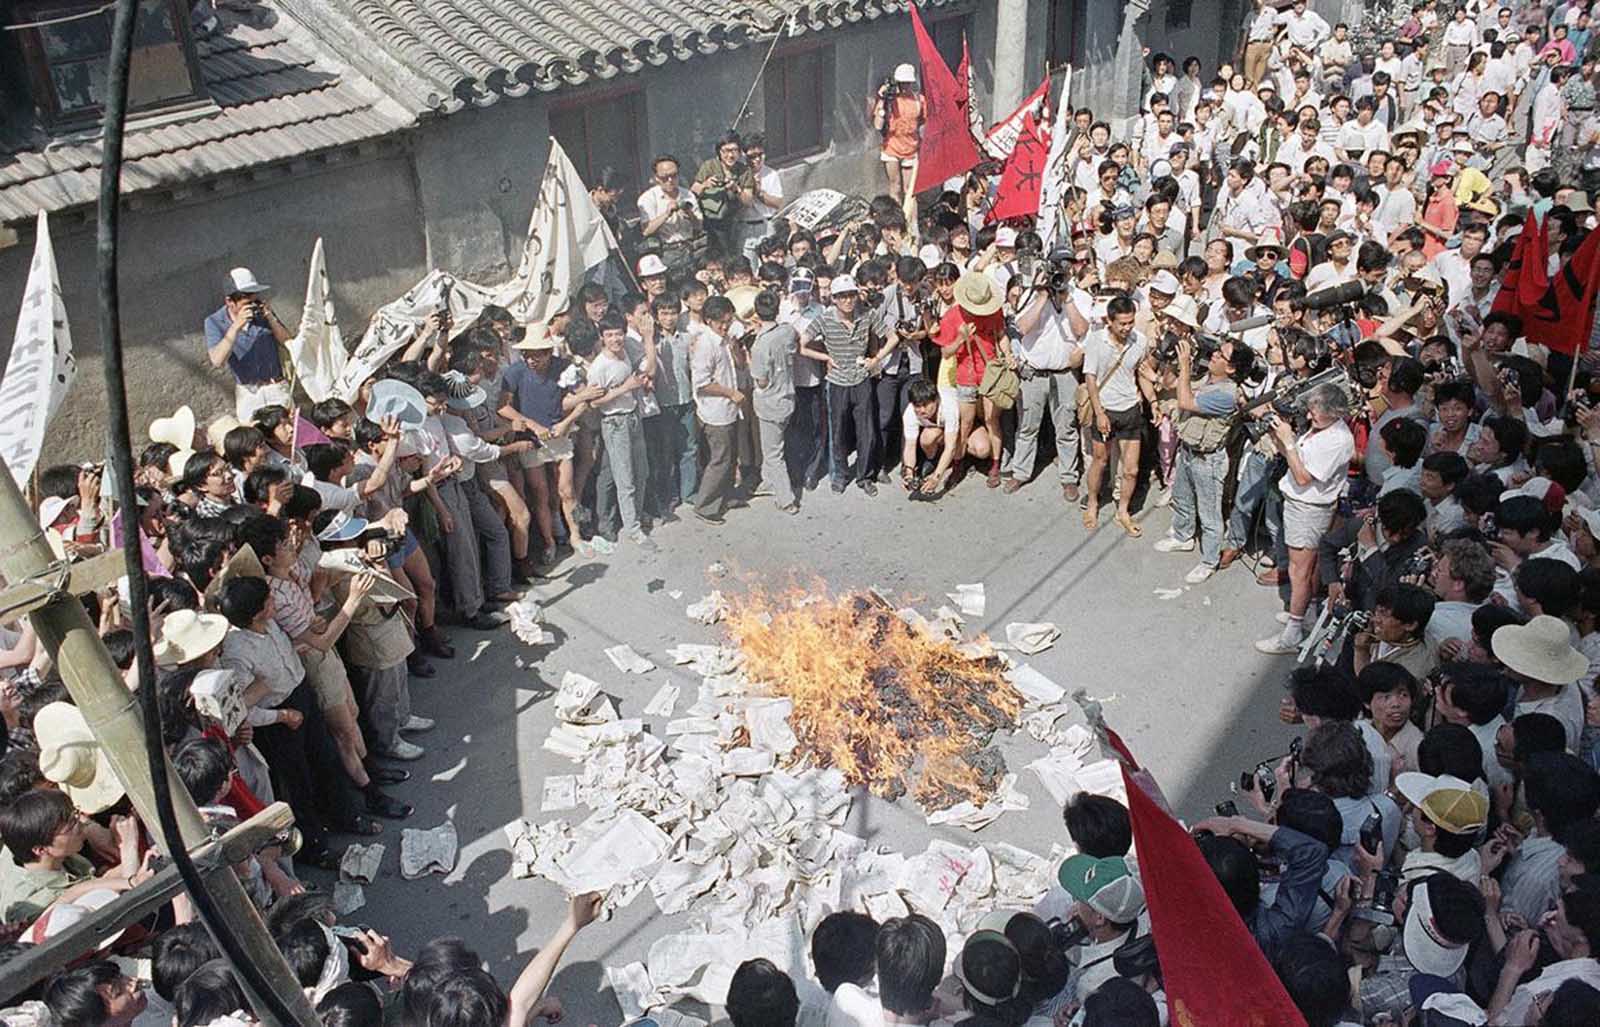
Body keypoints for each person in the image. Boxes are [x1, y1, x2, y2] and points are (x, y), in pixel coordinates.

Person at [1256, 383, 1357, 654]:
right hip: (1300, 506)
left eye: (1315, 412)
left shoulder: (1337, 440)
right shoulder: (1321, 428)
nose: (1309, 417)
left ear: (1333, 413)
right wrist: (1278, 435)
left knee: (1299, 572)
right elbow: (1293, 456)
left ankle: (1292, 632)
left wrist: (1288, 441)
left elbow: (1302, 476)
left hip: (1309, 509)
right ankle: (1307, 615)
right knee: (1307, 568)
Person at [1155, 326, 1252, 583]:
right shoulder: (1209, 379)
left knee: (1210, 515)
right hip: (1188, 450)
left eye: (1222, 356)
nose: (1215, 356)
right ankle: (1182, 535)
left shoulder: (1226, 394)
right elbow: (1172, 384)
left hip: (1208, 460)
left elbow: (1186, 401)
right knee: (1182, 498)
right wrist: (1171, 360)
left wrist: (1185, 364)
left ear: (1231, 369)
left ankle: (1209, 561)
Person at [801, 273, 898, 496]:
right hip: (836, 383)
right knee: (838, 432)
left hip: (861, 379)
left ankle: (864, 476)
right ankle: (840, 476)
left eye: (851, 295)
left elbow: (892, 337)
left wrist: (876, 359)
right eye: (842, 296)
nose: (847, 301)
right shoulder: (825, 319)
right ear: (834, 299)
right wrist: (825, 358)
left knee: (867, 431)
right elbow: (802, 344)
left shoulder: (867, 315)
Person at [1003, 258, 1088, 501]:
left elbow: (1082, 330)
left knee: (1066, 427)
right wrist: (1042, 297)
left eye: (1064, 272)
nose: (1059, 277)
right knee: (1028, 425)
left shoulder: (1079, 296)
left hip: (1064, 372)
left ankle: (1069, 477)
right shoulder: (1030, 294)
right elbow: (1021, 327)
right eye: (1055, 272)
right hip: (1035, 372)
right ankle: (1020, 472)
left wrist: (1066, 299)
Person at [1082, 295, 1150, 536]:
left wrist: (1151, 399)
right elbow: (1090, 377)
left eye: (1130, 322)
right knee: (1100, 461)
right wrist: (1099, 412)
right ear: (1109, 321)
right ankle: (1092, 502)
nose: (1127, 328)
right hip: (1106, 409)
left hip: (1130, 408)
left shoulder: (1140, 341)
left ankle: (1123, 510)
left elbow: (1141, 372)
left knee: (1131, 469)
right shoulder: (1096, 341)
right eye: (1122, 323)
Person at [1055, 853, 1146, 1004]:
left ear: (1099, 918)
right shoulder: (1141, 917)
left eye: (1078, 898)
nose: (1074, 903)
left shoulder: (1092, 984)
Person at [204, 267, 293, 420]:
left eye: (254, 300)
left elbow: (288, 342)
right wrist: (236, 327)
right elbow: (217, 360)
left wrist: (271, 319)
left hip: (276, 386)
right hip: (249, 392)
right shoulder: (214, 322)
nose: (252, 306)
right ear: (230, 302)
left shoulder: (261, 313)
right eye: (246, 303)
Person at [690, 295, 745, 523]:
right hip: (716, 413)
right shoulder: (706, 344)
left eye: (728, 321)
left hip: (729, 410)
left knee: (731, 458)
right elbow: (702, 384)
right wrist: (730, 393)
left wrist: (734, 348)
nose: (724, 326)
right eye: (720, 322)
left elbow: (739, 365)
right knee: (720, 460)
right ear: (709, 321)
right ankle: (705, 506)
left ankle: (725, 496)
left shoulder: (724, 340)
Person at [749, 289, 801, 513]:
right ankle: (768, 481)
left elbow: (760, 380)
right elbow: (794, 339)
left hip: (769, 403)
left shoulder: (760, 345)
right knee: (775, 446)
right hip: (788, 397)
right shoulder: (787, 331)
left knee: (772, 453)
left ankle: (786, 499)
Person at [638, 154, 704, 280]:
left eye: (673, 176)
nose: (670, 180)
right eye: (664, 177)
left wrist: (690, 214)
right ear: (656, 178)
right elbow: (646, 230)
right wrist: (667, 214)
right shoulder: (647, 198)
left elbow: (699, 226)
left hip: (688, 248)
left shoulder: (688, 195)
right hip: (664, 251)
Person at [693, 131, 756, 261]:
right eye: (725, 151)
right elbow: (693, 190)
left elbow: (749, 201)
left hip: (733, 223)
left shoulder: (744, 170)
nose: (730, 155)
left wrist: (736, 189)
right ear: (719, 152)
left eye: (734, 151)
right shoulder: (709, 166)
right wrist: (705, 184)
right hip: (710, 222)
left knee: (731, 258)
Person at [873, 64, 924, 202]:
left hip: (911, 149)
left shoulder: (918, 100)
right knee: (895, 187)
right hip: (892, 148)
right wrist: (882, 99)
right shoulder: (890, 100)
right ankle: (895, 219)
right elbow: (878, 125)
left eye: (907, 83)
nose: (904, 87)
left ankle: (911, 221)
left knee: (910, 190)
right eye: (902, 83)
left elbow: (924, 122)